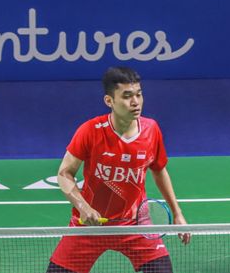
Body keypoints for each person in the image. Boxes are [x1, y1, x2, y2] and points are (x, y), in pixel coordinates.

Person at [46, 66, 190, 273]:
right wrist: (83, 208)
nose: (135, 102)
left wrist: (178, 214)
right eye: (127, 96)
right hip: (90, 225)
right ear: (109, 101)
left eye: (139, 95)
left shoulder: (151, 130)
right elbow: (64, 174)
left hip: (135, 224)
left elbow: (159, 170)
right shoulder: (90, 131)